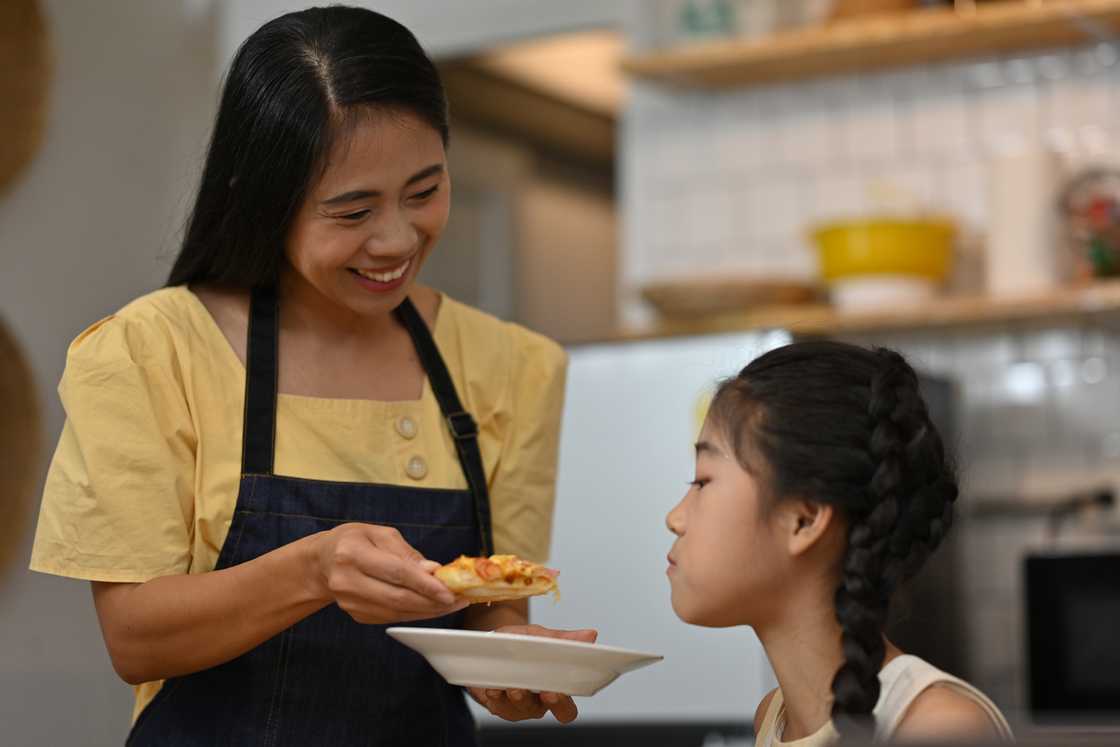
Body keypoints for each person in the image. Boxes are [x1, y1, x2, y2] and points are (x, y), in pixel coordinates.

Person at [29, 7, 593, 745]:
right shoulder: (150, 351)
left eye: (424, 192)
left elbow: (489, 605)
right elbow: (135, 638)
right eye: (352, 210)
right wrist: (316, 568)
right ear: (266, 203)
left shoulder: (511, 367)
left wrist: (509, 663)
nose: (396, 239)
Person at [665, 341, 1014, 745]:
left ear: (804, 519)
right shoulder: (772, 719)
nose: (674, 518)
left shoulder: (936, 727)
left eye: (702, 482)